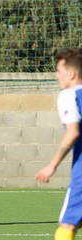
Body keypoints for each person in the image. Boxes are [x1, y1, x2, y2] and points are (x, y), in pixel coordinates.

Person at [36, 48, 82, 240]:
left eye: (59, 71)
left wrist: (51, 166)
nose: (56, 75)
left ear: (71, 74)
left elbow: (72, 132)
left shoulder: (69, 95)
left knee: (67, 226)